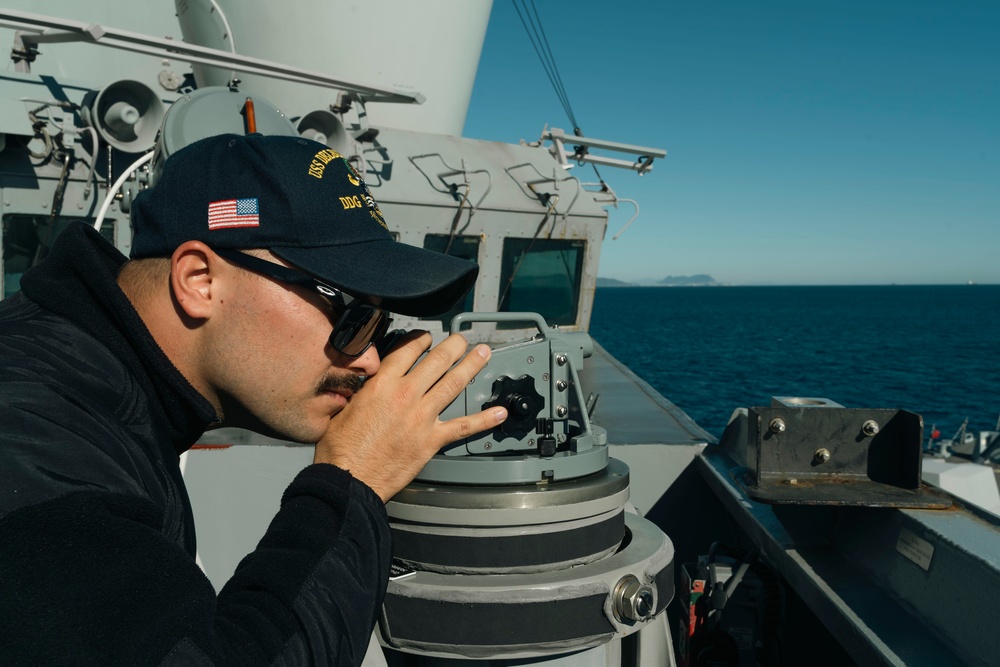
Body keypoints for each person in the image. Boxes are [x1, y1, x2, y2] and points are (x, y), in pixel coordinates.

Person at [0, 133, 508, 665]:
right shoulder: (33, 443)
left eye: (379, 326)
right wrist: (350, 484)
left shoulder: (92, 388)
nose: (369, 361)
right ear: (199, 280)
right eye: (350, 313)